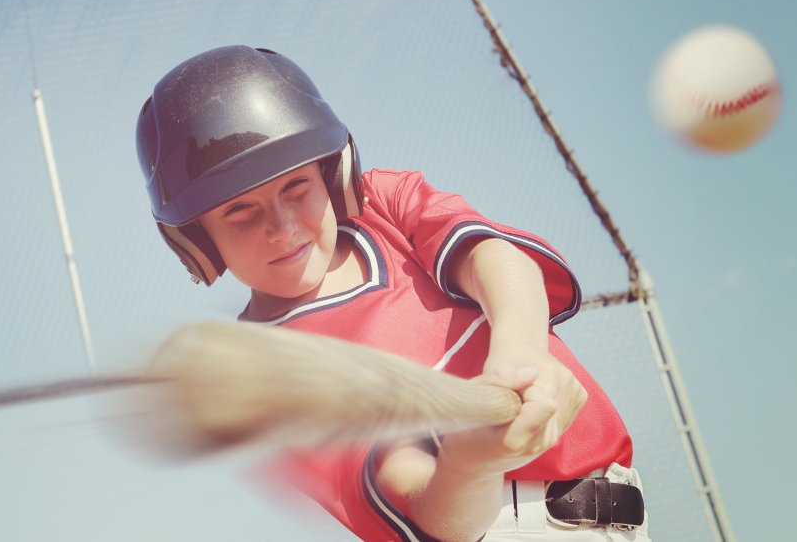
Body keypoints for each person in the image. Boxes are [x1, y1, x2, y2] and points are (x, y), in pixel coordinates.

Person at [135, 45, 650, 541]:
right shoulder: (263, 373)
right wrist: (472, 464)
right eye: (240, 211)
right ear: (197, 240)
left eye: (297, 188)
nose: (282, 225)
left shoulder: (382, 205)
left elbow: (496, 259)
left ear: (333, 176)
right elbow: (431, 510)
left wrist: (519, 353)